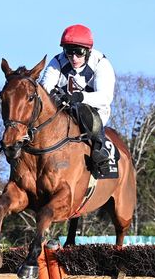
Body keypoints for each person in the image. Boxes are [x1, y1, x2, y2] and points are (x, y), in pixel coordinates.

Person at [40, 24, 116, 176]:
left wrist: (80, 97)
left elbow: (105, 97)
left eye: (79, 53)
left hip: (94, 110)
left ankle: (100, 155)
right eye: (69, 52)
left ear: (88, 51)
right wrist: (57, 95)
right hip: (64, 108)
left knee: (85, 114)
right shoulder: (58, 61)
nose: (74, 58)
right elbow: (44, 86)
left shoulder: (101, 63)